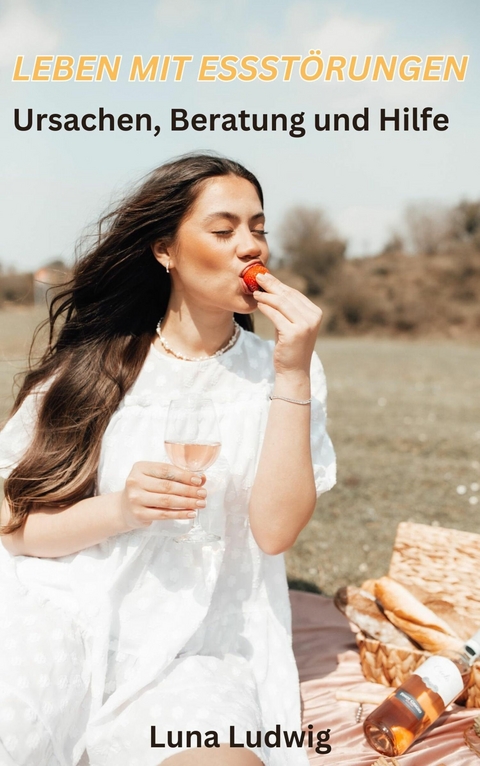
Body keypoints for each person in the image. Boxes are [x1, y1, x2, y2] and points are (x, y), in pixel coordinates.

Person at [0, 153, 336, 766]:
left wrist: (290, 369)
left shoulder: (285, 373)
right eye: (223, 229)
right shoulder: (94, 368)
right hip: (64, 616)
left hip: (199, 644)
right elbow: (16, 529)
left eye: (258, 228)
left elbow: (275, 531)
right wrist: (123, 509)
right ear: (165, 250)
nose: (249, 247)